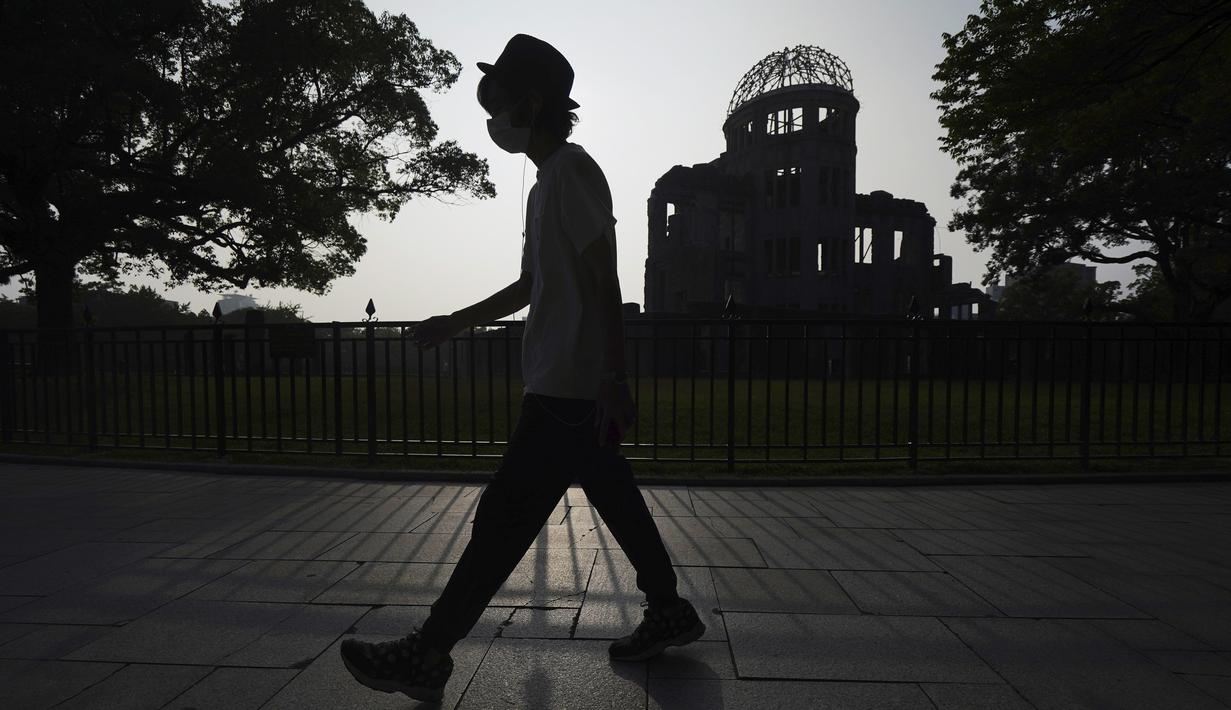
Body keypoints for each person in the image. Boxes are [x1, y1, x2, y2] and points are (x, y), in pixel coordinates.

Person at [339, 33, 704, 704]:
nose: (492, 116)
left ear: (532, 103)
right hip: (559, 379)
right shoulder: (543, 187)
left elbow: (604, 278)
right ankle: (668, 610)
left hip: (568, 385)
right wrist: (455, 321)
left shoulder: (572, 171)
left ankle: (427, 653)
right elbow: (529, 284)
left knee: (502, 519)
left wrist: (612, 376)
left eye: (498, 101)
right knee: (613, 496)